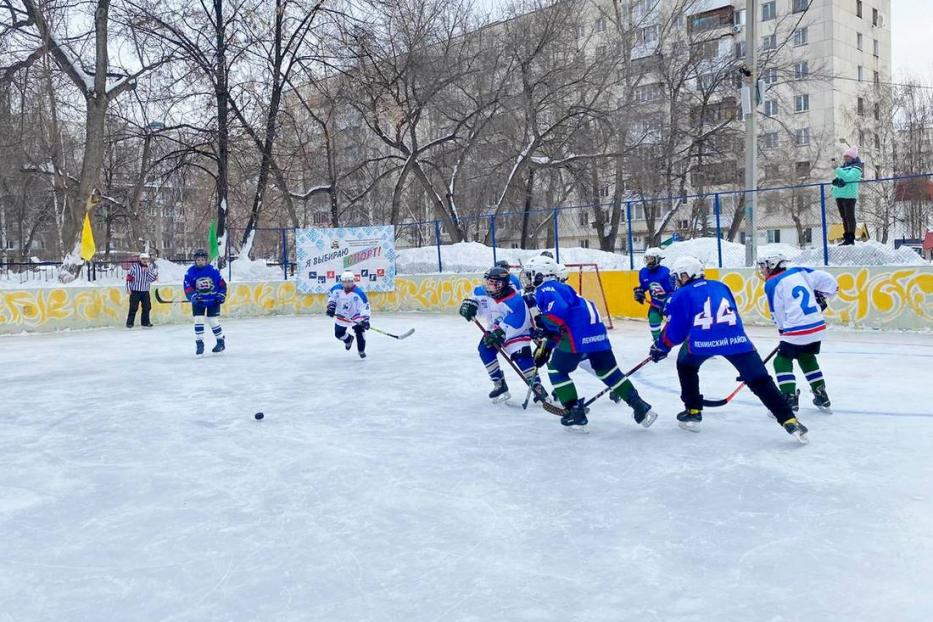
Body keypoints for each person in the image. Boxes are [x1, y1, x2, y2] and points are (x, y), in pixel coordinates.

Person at [648, 255, 809, 443]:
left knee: (686, 366)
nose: (676, 281)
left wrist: (661, 347)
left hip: (701, 343)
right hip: (737, 340)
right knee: (760, 380)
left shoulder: (680, 295)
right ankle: (790, 420)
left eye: (677, 277)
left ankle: (693, 412)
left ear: (685, 275)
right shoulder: (721, 286)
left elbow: (676, 330)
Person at [523, 255, 657, 430]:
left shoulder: (546, 289)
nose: (527, 278)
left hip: (577, 337)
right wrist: (547, 347)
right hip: (598, 335)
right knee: (609, 372)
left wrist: (542, 321)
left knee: (557, 369)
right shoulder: (565, 288)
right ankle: (640, 407)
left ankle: (574, 412)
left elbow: (558, 314)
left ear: (541, 275)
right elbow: (564, 321)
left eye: (530, 274)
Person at [757, 251, 838, 413]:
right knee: (806, 357)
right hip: (817, 323)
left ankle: (789, 398)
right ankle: (821, 394)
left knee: (781, 361)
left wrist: (782, 330)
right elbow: (829, 281)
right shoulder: (799, 271)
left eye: (764, 266)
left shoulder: (771, 283)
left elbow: (777, 311)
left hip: (796, 327)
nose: (762, 270)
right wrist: (822, 296)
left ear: (772, 265)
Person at [459, 266, 536, 403]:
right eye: (487, 282)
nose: (487, 285)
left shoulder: (515, 300)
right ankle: (499, 383)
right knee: (484, 350)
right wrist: (469, 304)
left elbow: (519, 321)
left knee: (521, 356)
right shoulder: (485, 292)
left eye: (491, 283)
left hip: (516, 333)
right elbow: (475, 297)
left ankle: (537, 386)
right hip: (495, 329)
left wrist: (501, 332)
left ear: (501, 284)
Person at [183, 249, 227, 357]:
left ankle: (220, 341)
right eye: (198, 260)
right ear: (195, 260)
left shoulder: (213, 270)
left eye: (202, 259)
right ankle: (199, 343)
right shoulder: (190, 272)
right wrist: (192, 296)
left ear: (206, 260)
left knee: (212, 320)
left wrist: (221, 295)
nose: (200, 261)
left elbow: (222, 284)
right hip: (199, 301)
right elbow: (187, 286)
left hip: (213, 301)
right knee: (198, 320)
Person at [326, 271, 371, 359]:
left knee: (360, 333)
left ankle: (361, 350)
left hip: (356, 317)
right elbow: (332, 298)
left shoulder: (359, 293)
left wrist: (365, 320)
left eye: (349, 281)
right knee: (338, 334)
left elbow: (365, 307)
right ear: (341, 282)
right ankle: (349, 339)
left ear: (353, 281)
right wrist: (331, 308)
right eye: (345, 282)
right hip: (342, 316)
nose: (347, 284)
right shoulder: (336, 289)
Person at [634, 247, 674, 342]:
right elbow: (644, 286)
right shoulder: (643, 272)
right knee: (653, 319)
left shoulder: (666, 272)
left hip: (670, 304)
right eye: (647, 259)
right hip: (655, 304)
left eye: (651, 259)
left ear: (658, 259)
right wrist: (640, 291)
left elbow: (673, 290)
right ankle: (658, 343)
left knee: (678, 325)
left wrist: (668, 302)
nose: (649, 261)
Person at [831, 146, 863, 246]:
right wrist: (835, 184)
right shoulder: (843, 167)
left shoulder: (856, 168)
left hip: (849, 196)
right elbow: (839, 178)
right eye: (844, 157)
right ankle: (847, 239)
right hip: (839, 195)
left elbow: (848, 178)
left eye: (847, 157)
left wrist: (837, 169)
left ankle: (850, 239)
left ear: (853, 157)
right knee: (844, 218)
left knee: (850, 217)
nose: (845, 158)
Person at [126, 252, 158, 328]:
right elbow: (129, 278)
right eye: (143, 259)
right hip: (135, 291)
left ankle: (145, 322)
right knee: (133, 307)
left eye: (146, 259)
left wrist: (148, 272)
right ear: (140, 259)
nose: (144, 260)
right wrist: (128, 288)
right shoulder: (134, 267)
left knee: (147, 307)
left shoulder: (149, 268)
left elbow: (152, 279)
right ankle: (130, 323)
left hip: (145, 291)